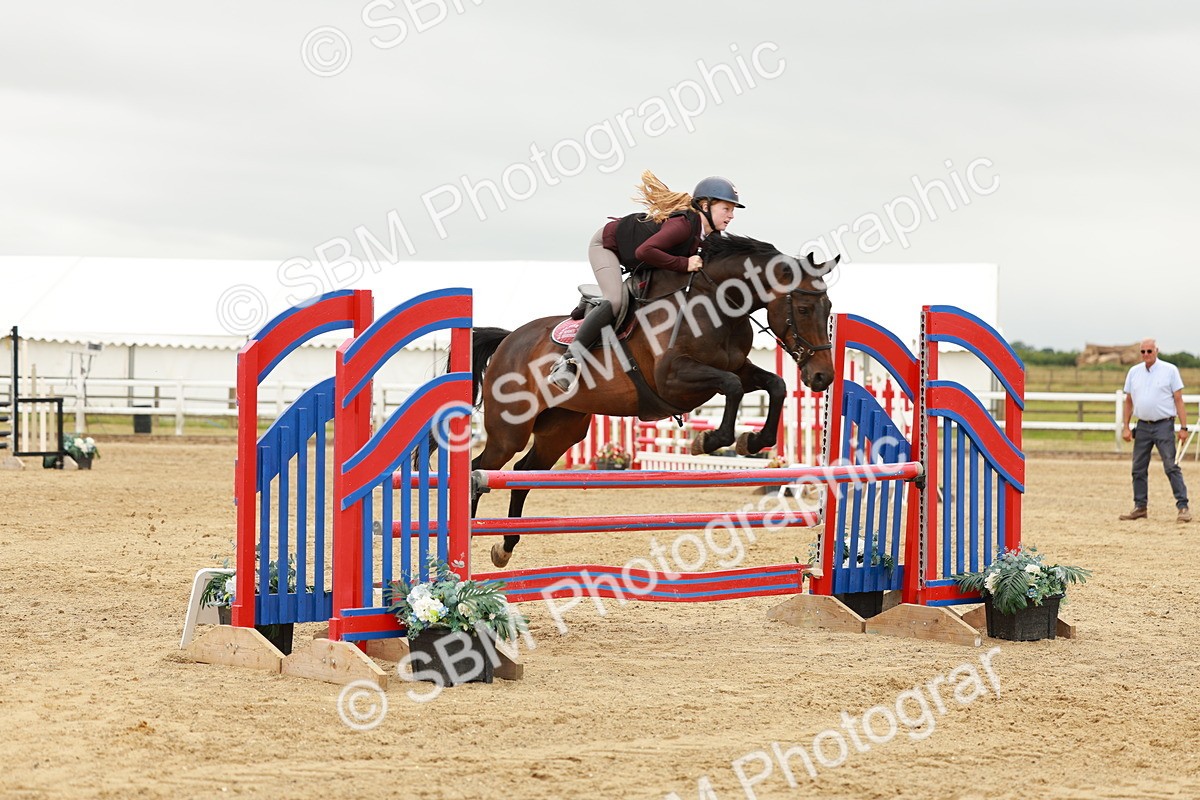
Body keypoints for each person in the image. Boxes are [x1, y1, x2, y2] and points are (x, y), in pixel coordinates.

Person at [547, 171, 743, 391]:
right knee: (615, 300)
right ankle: (568, 362)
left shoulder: (711, 237)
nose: (731, 215)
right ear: (705, 206)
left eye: (733, 210)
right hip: (607, 246)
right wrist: (684, 264)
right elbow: (645, 251)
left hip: (643, 259)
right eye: (726, 209)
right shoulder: (684, 225)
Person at [1119, 338, 1191, 522]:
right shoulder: (1134, 372)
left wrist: (1183, 427)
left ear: (1156, 351)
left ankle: (1183, 506)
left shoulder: (1170, 371)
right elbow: (1129, 401)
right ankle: (1140, 506)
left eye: (1149, 351)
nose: (1145, 355)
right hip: (1142, 426)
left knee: (1171, 465)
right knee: (1138, 468)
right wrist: (1126, 427)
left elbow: (1178, 400)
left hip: (1164, 426)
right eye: (1142, 352)